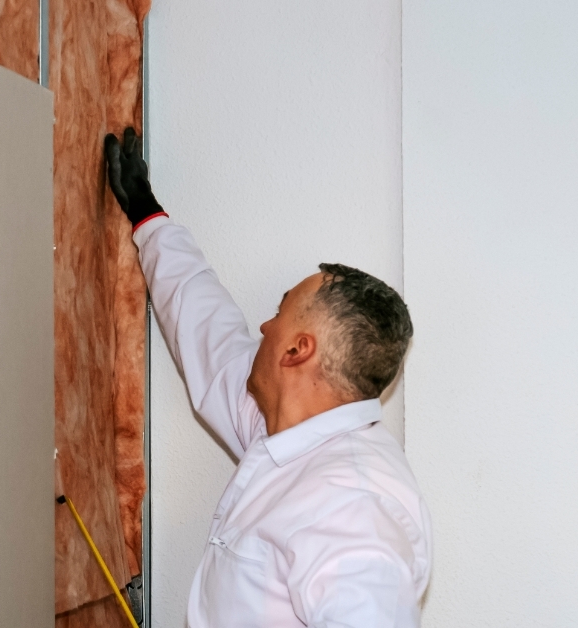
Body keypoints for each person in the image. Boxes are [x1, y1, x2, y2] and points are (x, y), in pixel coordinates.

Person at [104, 128, 432, 627]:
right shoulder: (288, 432)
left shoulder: (353, 509)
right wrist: (148, 217)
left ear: (298, 351)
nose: (264, 327)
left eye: (280, 313)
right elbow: (209, 334)